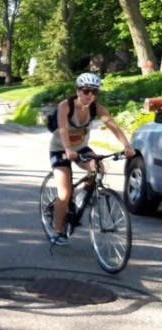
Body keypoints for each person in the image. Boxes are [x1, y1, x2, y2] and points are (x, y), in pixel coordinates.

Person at [47, 72, 134, 245]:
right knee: (64, 194)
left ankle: (80, 199)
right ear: (78, 90)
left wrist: (127, 146)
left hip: (81, 148)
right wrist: (67, 149)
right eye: (86, 91)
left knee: (99, 168)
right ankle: (57, 230)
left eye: (94, 92)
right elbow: (63, 129)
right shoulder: (66, 106)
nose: (90, 95)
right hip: (60, 149)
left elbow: (113, 126)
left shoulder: (96, 108)